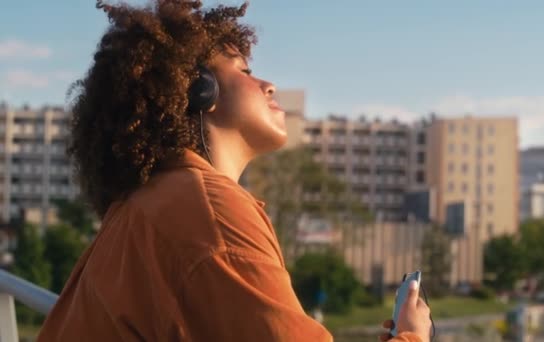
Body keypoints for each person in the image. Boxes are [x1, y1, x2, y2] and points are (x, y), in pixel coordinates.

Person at [37, 1, 432, 341]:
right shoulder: (209, 213)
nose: (269, 84)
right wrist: (413, 333)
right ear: (199, 90)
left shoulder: (147, 203)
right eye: (243, 71)